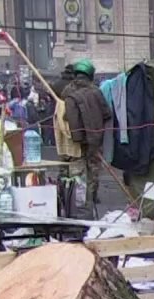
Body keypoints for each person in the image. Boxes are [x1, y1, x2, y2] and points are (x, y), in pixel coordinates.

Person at [60, 59, 112, 218]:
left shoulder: (67, 91)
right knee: (93, 171)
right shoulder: (96, 92)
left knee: (73, 171)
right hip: (94, 139)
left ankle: (72, 201)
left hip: (73, 141)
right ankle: (90, 201)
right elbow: (107, 113)